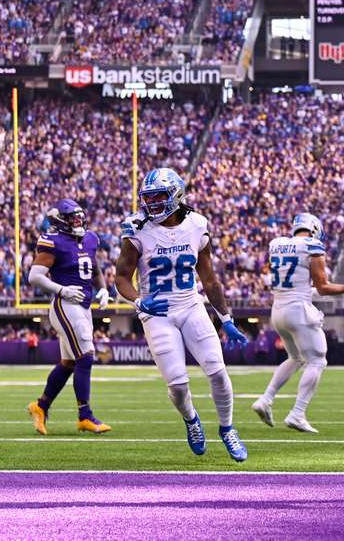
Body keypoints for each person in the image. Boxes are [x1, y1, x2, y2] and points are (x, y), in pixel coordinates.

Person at [115, 168, 249, 461]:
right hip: (157, 312)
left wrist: (226, 320)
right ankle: (192, 420)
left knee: (217, 370)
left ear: (175, 195)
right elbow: (122, 276)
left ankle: (227, 428)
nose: (152, 204)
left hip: (190, 306)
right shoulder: (137, 228)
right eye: (148, 199)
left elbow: (210, 279)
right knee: (177, 384)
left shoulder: (197, 225)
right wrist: (139, 301)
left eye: (159, 197)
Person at [252, 213, 344, 434]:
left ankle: (265, 399)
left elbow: (300, 286)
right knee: (317, 360)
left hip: (278, 310)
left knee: (295, 358)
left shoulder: (277, 244)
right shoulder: (312, 245)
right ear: (314, 228)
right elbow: (323, 287)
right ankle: (297, 413)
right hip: (298, 311)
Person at [26, 199, 111, 435]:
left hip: (83, 305)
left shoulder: (90, 238)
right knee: (86, 355)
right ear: (60, 221)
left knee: (69, 363)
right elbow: (35, 276)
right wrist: (60, 289)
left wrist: (103, 288)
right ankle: (85, 415)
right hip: (65, 304)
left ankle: (40, 406)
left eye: (79, 216)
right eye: (72, 217)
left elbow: (93, 269)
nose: (78, 221)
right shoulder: (53, 241)